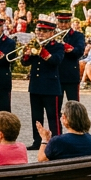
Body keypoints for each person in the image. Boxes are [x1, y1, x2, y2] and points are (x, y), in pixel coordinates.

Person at [21, 17, 65, 149]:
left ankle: (57, 142)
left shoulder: (57, 47)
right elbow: (24, 63)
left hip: (51, 86)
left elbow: (55, 61)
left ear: (52, 33)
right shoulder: (34, 45)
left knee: (53, 116)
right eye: (39, 31)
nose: (40, 33)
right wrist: (26, 54)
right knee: (36, 116)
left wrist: (41, 50)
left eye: (44, 31)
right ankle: (37, 141)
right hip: (35, 86)